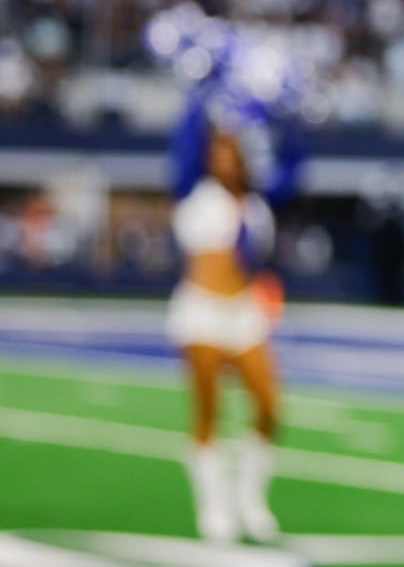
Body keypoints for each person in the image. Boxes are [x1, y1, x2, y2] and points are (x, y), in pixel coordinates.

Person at [166, 128, 281, 543]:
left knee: (269, 407)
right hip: (201, 311)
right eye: (214, 153)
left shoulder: (255, 207)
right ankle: (213, 506)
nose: (222, 161)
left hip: (245, 310)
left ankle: (249, 499)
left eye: (228, 154)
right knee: (207, 411)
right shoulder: (196, 199)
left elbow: (257, 264)